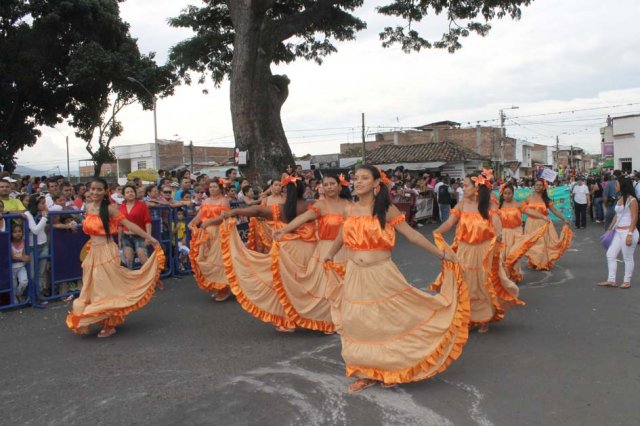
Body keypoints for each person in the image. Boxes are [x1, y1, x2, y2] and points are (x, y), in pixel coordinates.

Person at [321, 165, 466, 393]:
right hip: (355, 275)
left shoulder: (386, 210)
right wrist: (329, 254)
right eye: (355, 178)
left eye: (364, 178)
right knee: (358, 324)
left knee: (384, 323)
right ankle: (366, 372)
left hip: (381, 274)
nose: (358, 182)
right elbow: (341, 235)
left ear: (376, 184)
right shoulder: (349, 209)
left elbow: (413, 235)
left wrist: (441, 253)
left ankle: (389, 370)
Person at [214, 177, 318, 333]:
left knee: (286, 286)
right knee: (312, 284)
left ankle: (289, 321)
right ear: (304, 190)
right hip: (309, 250)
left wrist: (234, 211)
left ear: (285, 191)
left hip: (287, 251)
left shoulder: (281, 208)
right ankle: (319, 318)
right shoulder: (312, 205)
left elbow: (257, 210)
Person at [65, 178, 163, 338]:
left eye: (99, 189)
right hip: (93, 253)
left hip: (106, 251)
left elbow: (129, 225)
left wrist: (149, 238)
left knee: (105, 288)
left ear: (105, 191)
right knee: (91, 288)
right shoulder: (88, 207)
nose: (95, 192)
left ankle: (109, 324)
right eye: (92, 189)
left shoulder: (110, 208)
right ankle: (91, 319)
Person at [433, 169, 522, 334]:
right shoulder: (462, 204)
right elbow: (449, 223)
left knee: (482, 284)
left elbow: (496, 221)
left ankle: (483, 317)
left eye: (466, 185)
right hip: (464, 251)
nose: (463, 187)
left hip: (483, 251)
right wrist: (437, 231)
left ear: (477, 187)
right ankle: (469, 317)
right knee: (465, 283)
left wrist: (500, 233)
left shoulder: (489, 205)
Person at [270, 174, 352, 333]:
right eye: (326, 184)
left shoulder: (349, 205)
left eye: (332, 183)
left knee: (345, 286)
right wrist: (284, 230)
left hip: (346, 250)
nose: (329, 187)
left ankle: (344, 318)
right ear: (321, 187)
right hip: (325, 250)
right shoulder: (320, 205)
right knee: (325, 287)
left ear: (339, 186)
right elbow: (302, 219)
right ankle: (328, 322)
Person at [187, 179, 231, 301]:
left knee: (218, 260)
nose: (212, 189)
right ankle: (217, 287)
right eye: (210, 187)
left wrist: (209, 222)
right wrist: (192, 223)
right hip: (205, 233)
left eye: (215, 186)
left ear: (220, 188)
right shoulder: (205, 200)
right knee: (205, 259)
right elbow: (200, 215)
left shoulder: (224, 200)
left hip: (219, 233)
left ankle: (224, 288)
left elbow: (224, 217)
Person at [495, 183, 549, 282]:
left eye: (509, 193)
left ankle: (514, 276)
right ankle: (505, 277)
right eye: (505, 193)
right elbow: (492, 219)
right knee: (503, 256)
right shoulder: (498, 206)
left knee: (514, 255)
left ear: (513, 193)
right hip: (503, 233)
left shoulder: (519, 204)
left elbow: (530, 211)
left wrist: (542, 216)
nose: (507, 195)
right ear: (502, 194)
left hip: (517, 233)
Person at [522, 179, 573, 271]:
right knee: (532, 244)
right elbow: (522, 209)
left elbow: (555, 211)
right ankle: (533, 261)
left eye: (540, 185)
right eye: (537, 185)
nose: (538, 187)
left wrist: (564, 219)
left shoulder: (546, 200)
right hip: (530, 224)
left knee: (541, 244)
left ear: (543, 187)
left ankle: (542, 262)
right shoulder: (528, 198)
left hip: (543, 224)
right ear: (534, 186)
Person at [597, 177, 638, 289]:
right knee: (610, 254)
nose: (615, 186)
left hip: (628, 232)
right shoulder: (620, 198)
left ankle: (627, 281)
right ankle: (611, 280)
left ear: (622, 185)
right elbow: (617, 215)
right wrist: (610, 228)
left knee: (627, 257)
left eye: (617, 184)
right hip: (618, 231)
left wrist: (629, 234)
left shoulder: (632, 200)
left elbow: (634, 218)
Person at [118, 184, 153, 270]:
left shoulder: (142, 205)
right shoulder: (121, 207)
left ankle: (150, 280)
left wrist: (148, 237)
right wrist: (119, 240)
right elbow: (120, 225)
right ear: (123, 195)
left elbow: (148, 222)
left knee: (143, 258)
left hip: (140, 236)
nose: (130, 193)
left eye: (132, 192)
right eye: (127, 192)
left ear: (135, 193)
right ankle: (129, 281)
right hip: (126, 237)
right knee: (128, 260)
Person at [24, 195, 50, 298]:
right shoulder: (28, 214)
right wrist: (44, 218)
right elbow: (35, 230)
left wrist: (43, 217)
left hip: (43, 244)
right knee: (32, 274)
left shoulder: (41, 213)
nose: (44, 205)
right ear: (35, 204)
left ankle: (38, 294)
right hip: (31, 247)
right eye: (42, 203)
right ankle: (30, 295)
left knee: (41, 272)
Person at [10, 224, 30, 304]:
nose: (18, 233)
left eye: (19, 231)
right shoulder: (9, 243)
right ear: (11, 233)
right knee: (13, 285)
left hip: (21, 267)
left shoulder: (24, 242)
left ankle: (18, 294)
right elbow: (11, 256)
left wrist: (26, 258)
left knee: (24, 282)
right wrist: (21, 258)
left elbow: (24, 254)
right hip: (11, 268)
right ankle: (15, 301)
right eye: (15, 232)